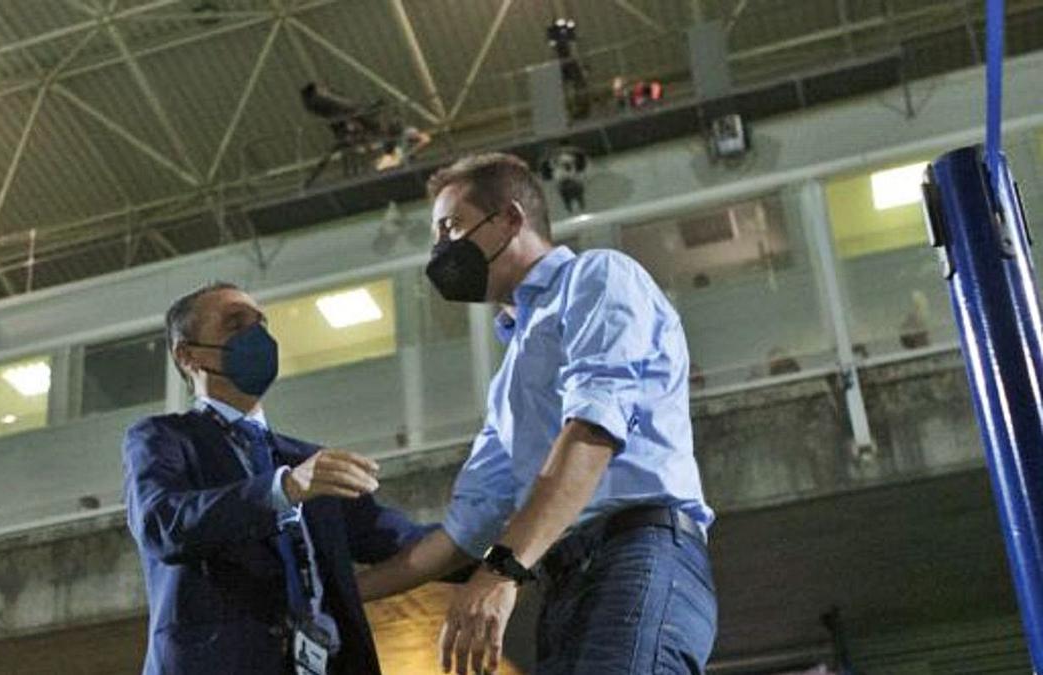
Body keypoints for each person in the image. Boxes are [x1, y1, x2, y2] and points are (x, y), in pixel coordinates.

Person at [357, 153, 718, 674]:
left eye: (452, 227)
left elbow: (593, 430)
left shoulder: (597, 278)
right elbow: (465, 531)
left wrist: (502, 571)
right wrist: (340, 594)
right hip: (566, 581)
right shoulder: (509, 381)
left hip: (637, 556)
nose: (442, 250)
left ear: (509, 218)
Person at [122, 282, 428, 674]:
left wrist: (508, 548)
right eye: (235, 323)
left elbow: (402, 539)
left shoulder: (308, 461)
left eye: (261, 324)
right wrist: (281, 489)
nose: (257, 335)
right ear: (188, 355)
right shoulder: (163, 438)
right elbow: (162, 523)